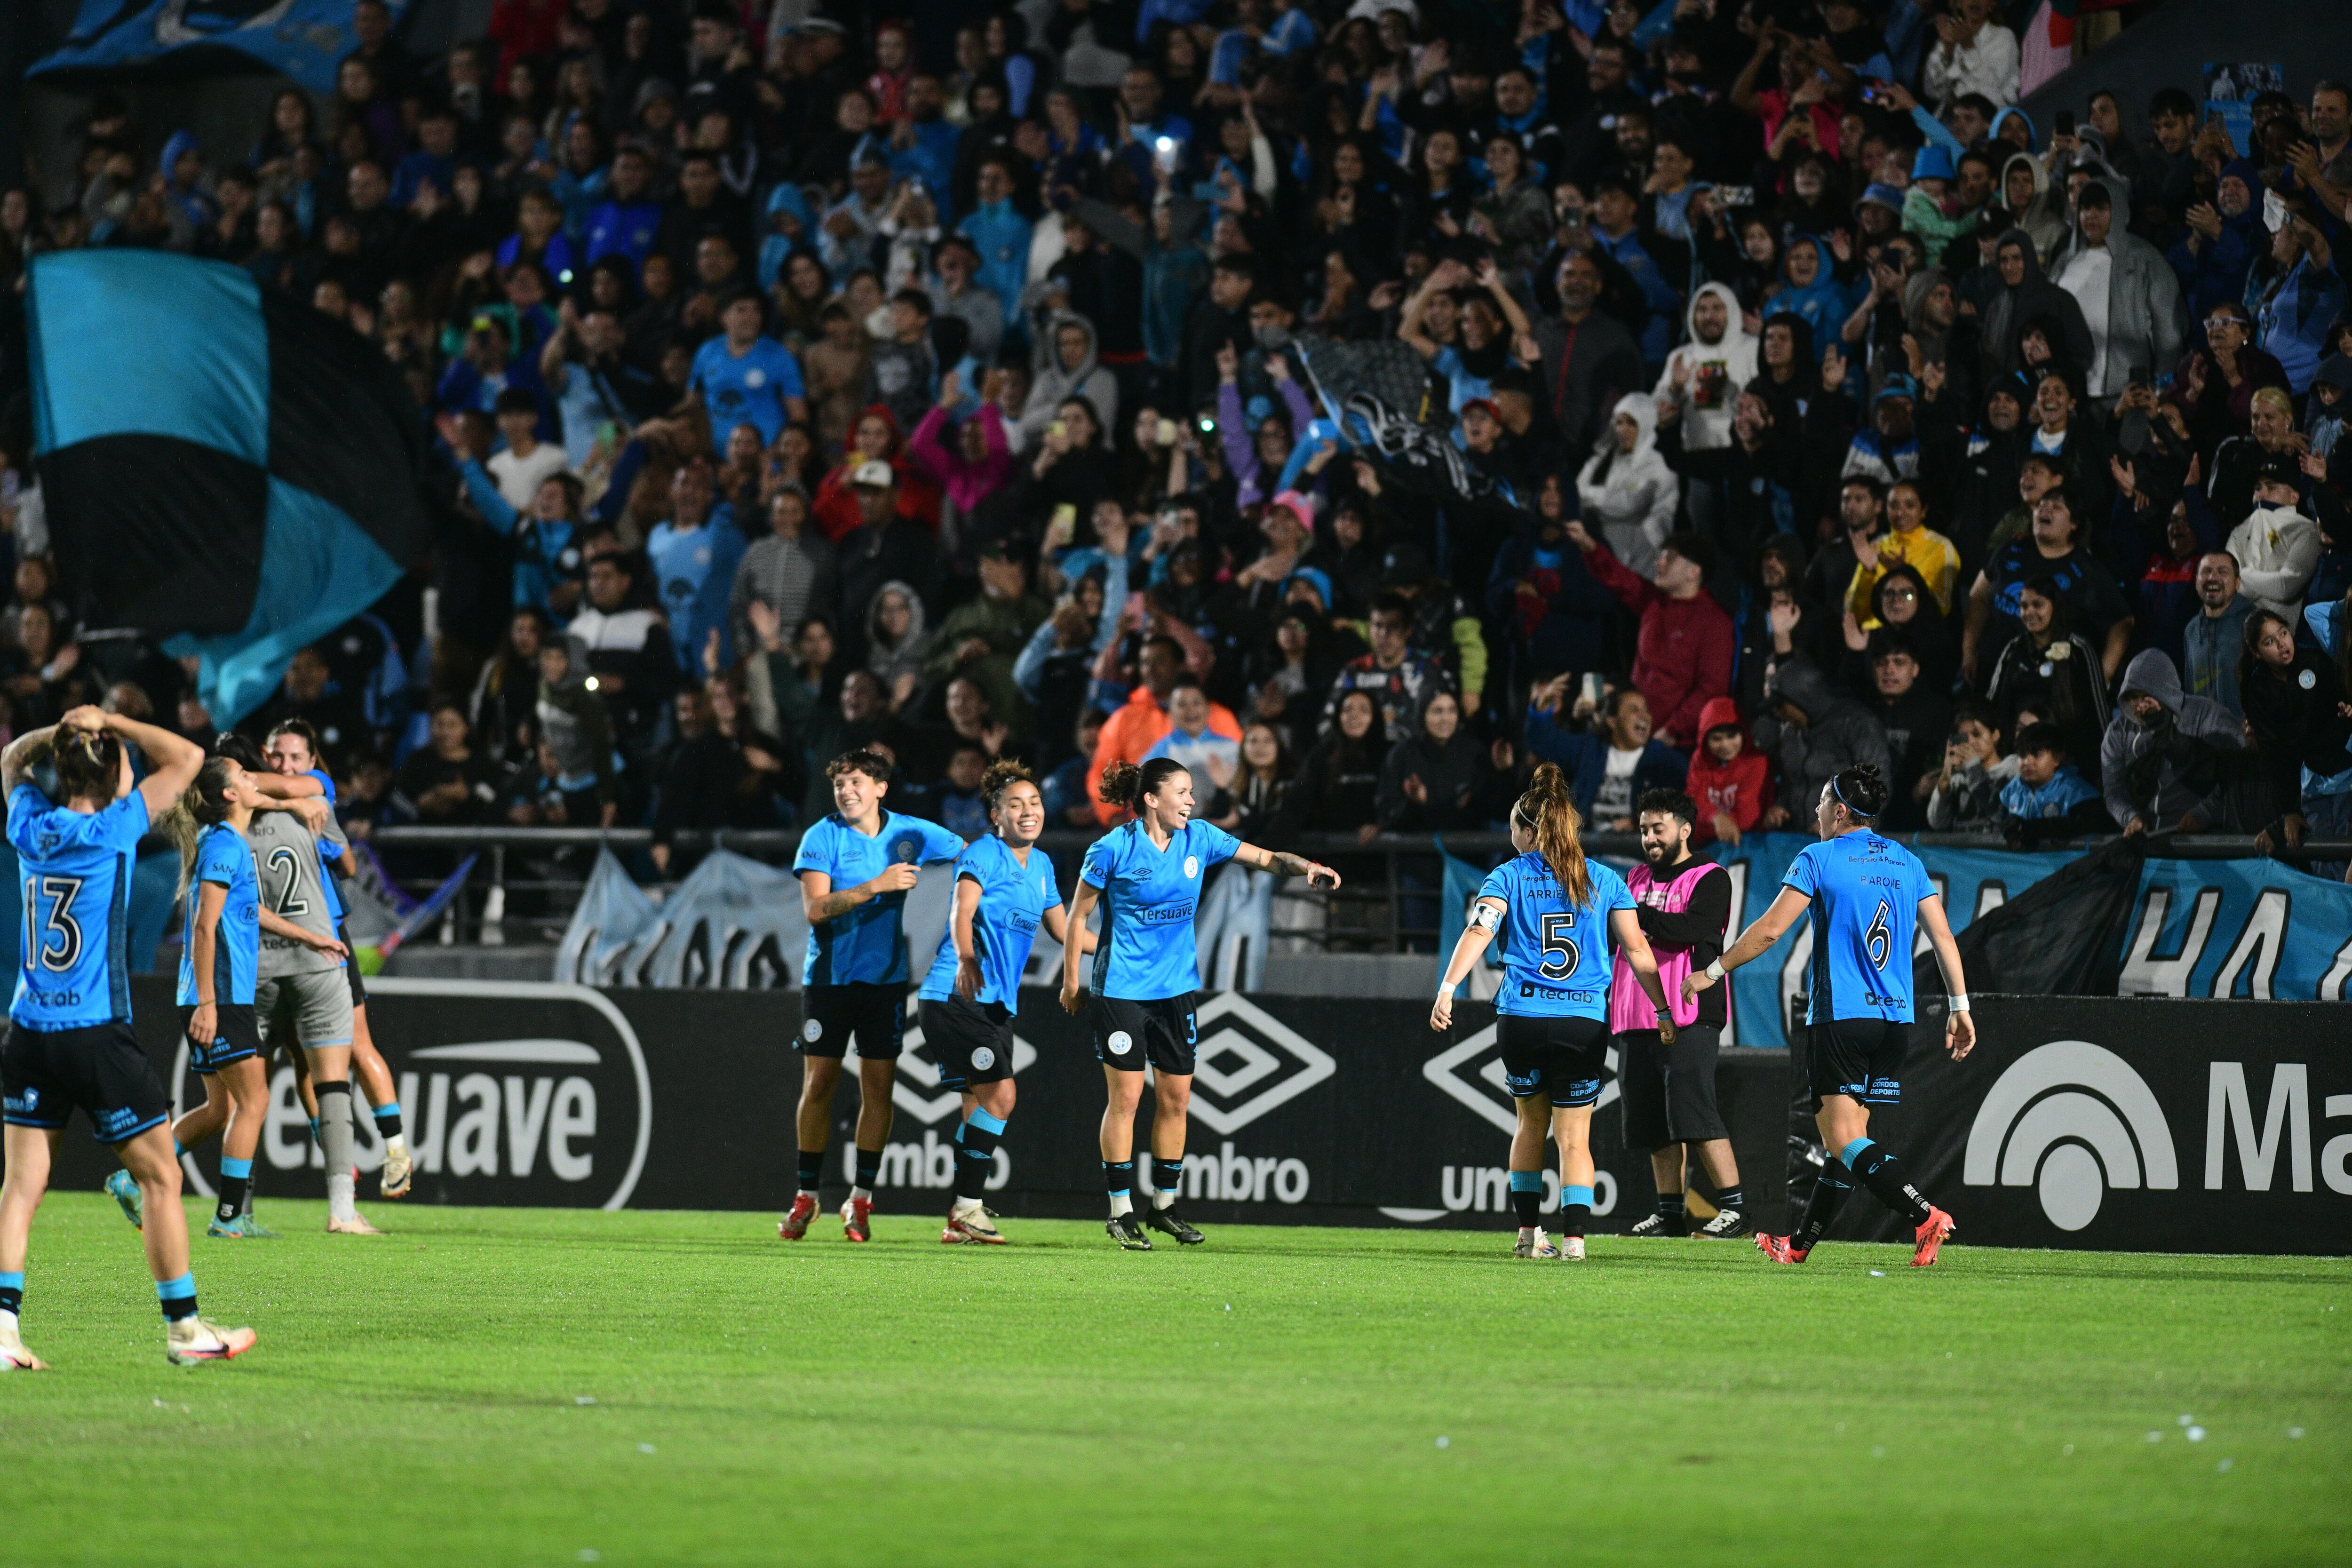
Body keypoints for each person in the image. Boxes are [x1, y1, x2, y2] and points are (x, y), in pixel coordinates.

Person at [0, 705, 255, 1369]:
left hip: (28, 1031)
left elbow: (10, 760)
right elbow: (188, 759)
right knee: (161, 1177)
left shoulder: (29, 822)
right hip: (94, 1033)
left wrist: (61, 732)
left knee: (22, 1185)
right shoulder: (116, 827)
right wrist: (109, 717)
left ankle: (2, 1330)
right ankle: (185, 1330)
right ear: (114, 771)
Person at [1687, 764, 1973, 1269]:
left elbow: (1770, 930)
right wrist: (1959, 1006)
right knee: (1848, 1143)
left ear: (1840, 811)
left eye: (1822, 801)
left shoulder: (1819, 857)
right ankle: (1797, 1247)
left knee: (1841, 1140)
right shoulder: (1906, 861)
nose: (1816, 809)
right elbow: (1943, 937)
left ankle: (1924, 1214)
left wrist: (1712, 971)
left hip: (1841, 1017)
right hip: (1893, 1023)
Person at [1059, 757, 1340, 1251]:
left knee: (1176, 1100)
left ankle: (1163, 1206)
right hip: (1121, 989)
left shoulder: (1201, 839)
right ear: (1152, 799)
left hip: (1176, 991)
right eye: (1183, 792)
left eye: (1192, 792)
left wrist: (1307, 868)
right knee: (1126, 1101)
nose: (1192, 801)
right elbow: (1077, 917)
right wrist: (1070, 983)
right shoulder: (1111, 849)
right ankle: (1120, 1211)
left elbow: (1268, 859)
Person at [1429, 763, 1673, 1262]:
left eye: (1512, 829)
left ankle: (1527, 1237)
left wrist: (1448, 987)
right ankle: (1575, 1242)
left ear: (1526, 831)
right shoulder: (1603, 878)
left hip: (1520, 1017)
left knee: (1528, 1127)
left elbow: (1479, 930)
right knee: (1574, 1138)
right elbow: (1638, 952)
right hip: (1581, 1022)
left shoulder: (1507, 875)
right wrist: (1663, 1008)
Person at [783, 749, 967, 1244]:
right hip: (828, 980)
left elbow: (969, 853)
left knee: (878, 1089)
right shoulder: (821, 837)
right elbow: (815, 909)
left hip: (884, 982)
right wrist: (876, 886)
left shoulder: (910, 832)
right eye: (840, 784)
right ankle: (807, 1194)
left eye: (856, 782)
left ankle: (860, 1199)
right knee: (819, 1084)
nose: (846, 792)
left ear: (880, 789)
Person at [161, 751, 346, 1240]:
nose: (254, 779)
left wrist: (311, 937)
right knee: (256, 1099)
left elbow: (246, 911)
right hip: (220, 996)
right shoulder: (226, 844)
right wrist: (208, 1003)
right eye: (245, 776)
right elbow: (205, 927)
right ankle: (229, 1217)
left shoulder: (220, 840)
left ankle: (134, 1177)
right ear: (230, 794)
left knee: (220, 1110)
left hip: (210, 994)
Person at [914, 763, 1085, 1245]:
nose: (1028, 811)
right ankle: (968, 1208)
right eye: (1015, 804)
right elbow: (962, 910)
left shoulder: (1043, 865)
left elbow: (1064, 931)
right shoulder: (983, 853)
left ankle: (960, 1215)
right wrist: (967, 958)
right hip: (957, 993)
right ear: (996, 815)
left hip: (991, 1004)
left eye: (1035, 802)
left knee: (977, 1106)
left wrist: (1118, 946)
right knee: (1002, 1096)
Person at [247, 740, 379, 1235]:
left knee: (245, 1100)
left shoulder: (225, 827)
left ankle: (236, 1211)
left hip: (257, 967)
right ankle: (342, 1208)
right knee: (331, 1082)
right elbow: (346, 863)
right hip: (316, 960)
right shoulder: (313, 804)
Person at [1614, 791, 1747, 1241]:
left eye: (1659, 829)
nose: (1650, 838)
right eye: (1644, 830)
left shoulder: (1711, 877)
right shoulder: (1633, 877)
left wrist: (1634, 916)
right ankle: (1670, 1213)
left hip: (1691, 1010)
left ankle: (1735, 1209)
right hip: (1635, 1012)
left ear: (1685, 830)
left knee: (1695, 1112)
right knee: (1653, 1121)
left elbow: (1693, 930)